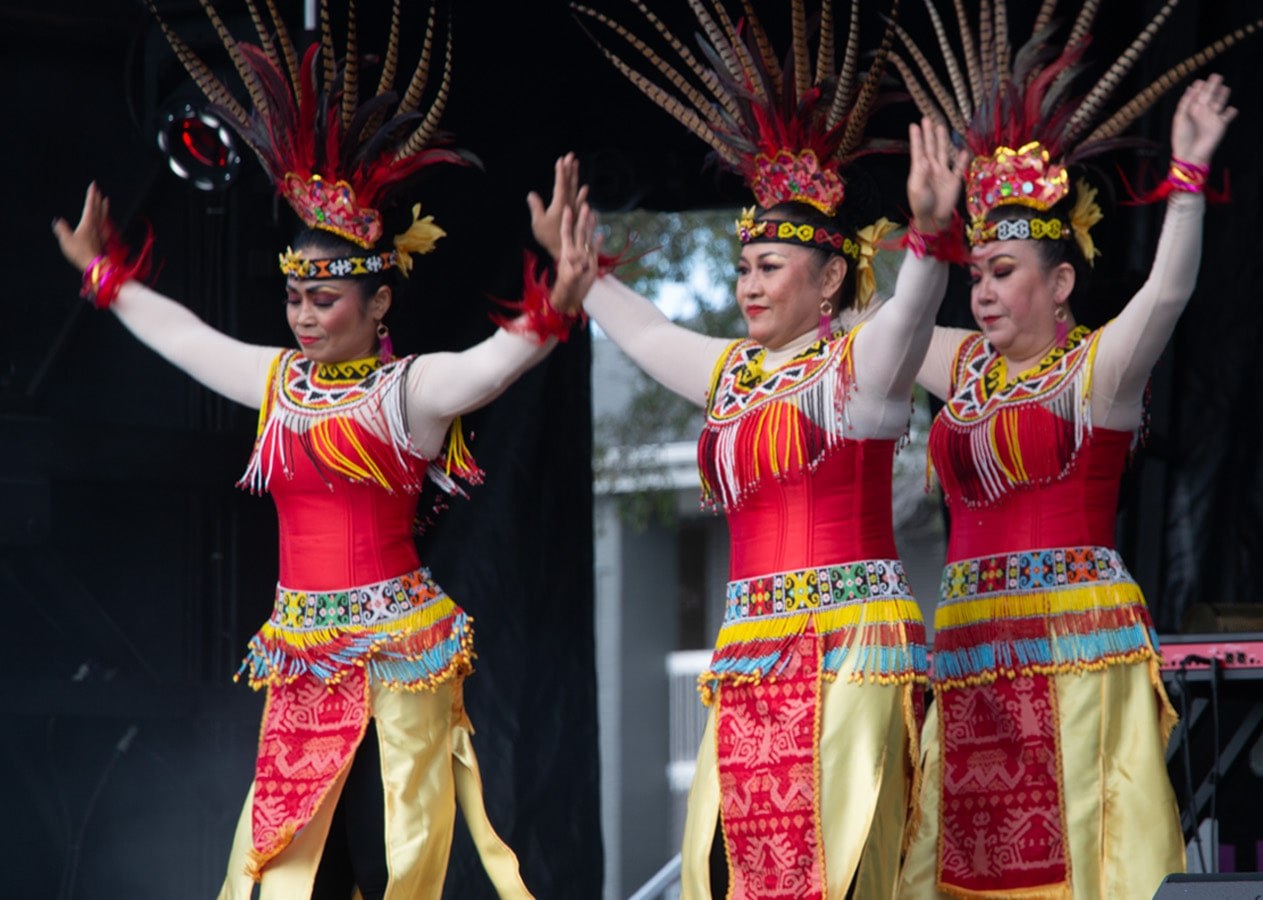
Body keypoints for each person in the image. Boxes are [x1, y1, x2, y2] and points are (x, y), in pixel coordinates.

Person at [51, 2, 578, 896]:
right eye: (296, 297)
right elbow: (187, 341)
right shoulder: (277, 384)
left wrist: (558, 300)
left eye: (326, 299)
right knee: (290, 851)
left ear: (377, 306)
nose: (303, 315)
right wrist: (110, 280)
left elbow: (492, 366)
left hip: (400, 643)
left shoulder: (407, 392)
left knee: (402, 842)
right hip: (301, 646)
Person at [543, 2, 967, 896]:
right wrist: (583, 272)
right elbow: (652, 333)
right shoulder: (732, 372)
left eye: (770, 267)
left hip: (853, 649)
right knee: (743, 870)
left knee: (849, 863)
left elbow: (915, 311)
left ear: (831, 279)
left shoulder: (863, 367)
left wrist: (929, 239)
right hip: (750, 655)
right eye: (742, 268)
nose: (748, 285)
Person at [889, 1, 1251, 896]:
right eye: (975, 276)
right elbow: (875, 332)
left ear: (1060, 283)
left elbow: (1167, 294)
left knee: (1086, 860)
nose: (981, 293)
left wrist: (1189, 173)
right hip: (970, 649)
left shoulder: (1099, 372)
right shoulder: (961, 365)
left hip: (1074, 648)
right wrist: (925, 231)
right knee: (968, 869)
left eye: (1002, 274)